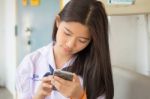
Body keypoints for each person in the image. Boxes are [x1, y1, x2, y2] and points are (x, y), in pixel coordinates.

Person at [15, 0, 114, 99]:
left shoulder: (95, 70)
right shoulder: (30, 63)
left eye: (82, 40)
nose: (70, 44)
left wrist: (80, 96)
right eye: (67, 33)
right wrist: (38, 96)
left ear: (92, 40)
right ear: (58, 21)